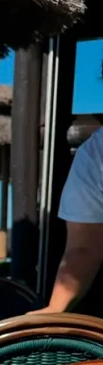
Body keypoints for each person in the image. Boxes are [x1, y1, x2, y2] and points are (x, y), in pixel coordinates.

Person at [35, 127, 103, 313]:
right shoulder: (95, 153)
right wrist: (54, 311)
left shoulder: (95, 151)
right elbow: (84, 249)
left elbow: (85, 249)